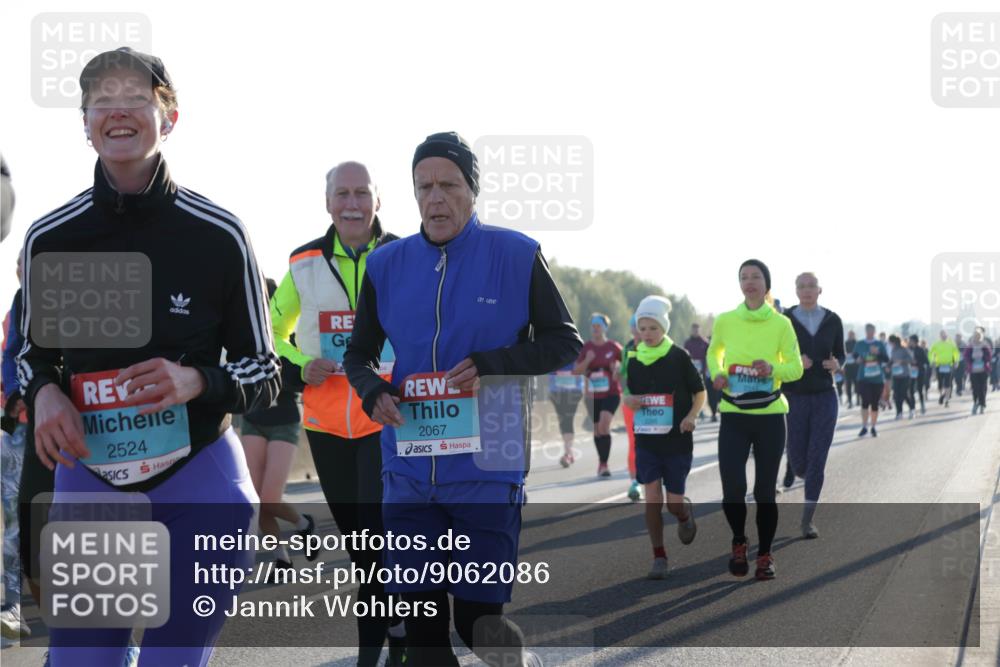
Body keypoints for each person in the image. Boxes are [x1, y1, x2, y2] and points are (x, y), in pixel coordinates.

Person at [16, 47, 278, 666]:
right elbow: (32, 356)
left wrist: (195, 380)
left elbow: (263, 371)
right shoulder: (52, 237)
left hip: (201, 482)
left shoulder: (220, 234)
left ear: (170, 116)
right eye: (100, 102)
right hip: (93, 483)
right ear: (84, 124)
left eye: (135, 97)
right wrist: (46, 391)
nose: (117, 112)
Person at [343, 131, 582, 667]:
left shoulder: (516, 254)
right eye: (424, 186)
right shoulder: (386, 265)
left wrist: (496, 363)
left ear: (473, 191)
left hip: (487, 465)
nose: (435, 198)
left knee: (480, 624)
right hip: (406, 470)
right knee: (424, 637)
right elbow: (357, 355)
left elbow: (564, 341)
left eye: (448, 185)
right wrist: (371, 390)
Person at [269, 160, 405, 665]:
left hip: (385, 420)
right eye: (342, 194)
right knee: (358, 545)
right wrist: (303, 366)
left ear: (377, 201)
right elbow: (270, 335)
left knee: (378, 531)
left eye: (362, 193)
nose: (352, 203)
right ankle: (379, 640)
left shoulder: (401, 255)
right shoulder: (303, 262)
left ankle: (392, 639)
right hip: (325, 424)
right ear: (328, 203)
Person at [707, 259, 803, 581]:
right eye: (744, 277)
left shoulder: (781, 324)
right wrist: (718, 374)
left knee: (764, 491)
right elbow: (713, 352)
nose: (750, 282)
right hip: (734, 414)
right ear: (740, 284)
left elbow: (796, 368)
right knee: (733, 489)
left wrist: (772, 369)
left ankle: (764, 554)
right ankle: (739, 540)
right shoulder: (725, 321)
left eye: (756, 277)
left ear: (766, 284)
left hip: (770, 416)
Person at [621, 296, 703, 579]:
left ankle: (684, 515)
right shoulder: (633, 359)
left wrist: (691, 416)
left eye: (653, 328)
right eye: (642, 328)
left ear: (664, 328)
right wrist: (629, 400)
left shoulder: (679, 356)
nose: (647, 334)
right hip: (647, 441)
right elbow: (629, 393)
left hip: (677, 440)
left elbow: (700, 391)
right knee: (652, 498)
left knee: (673, 503)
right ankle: (659, 556)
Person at [238, 278, 315, 577]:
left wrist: (276, 371)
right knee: (255, 499)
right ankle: (280, 558)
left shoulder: (286, 338)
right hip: (253, 420)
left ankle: (302, 524)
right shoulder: (241, 336)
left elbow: (299, 378)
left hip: (283, 421)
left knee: (269, 496)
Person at [780, 272, 845, 538]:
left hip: (825, 395)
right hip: (794, 396)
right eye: (801, 286)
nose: (806, 290)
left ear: (820, 290)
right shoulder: (784, 320)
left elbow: (840, 352)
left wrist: (837, 364)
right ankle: (792, 465)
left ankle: (807, 521)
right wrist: (795, 362)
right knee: (800, 465)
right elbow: (775, 354)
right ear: (796, 291)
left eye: (811, 286)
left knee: (817, 462)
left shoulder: (832, 320)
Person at [1, 254, 29, 641]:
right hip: (19, 430)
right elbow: (9, 357)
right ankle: (12, 606)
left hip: (74, 433)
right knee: (13, 522)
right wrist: (14, 399)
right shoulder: (18, 306)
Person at [574, 313, 623, 477]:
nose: (595, 329)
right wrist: (588, 361)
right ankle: (602, 463)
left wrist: (617, 369)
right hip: (592, 395)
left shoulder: (613, 347)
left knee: (604, 425)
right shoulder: (586, 348)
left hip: (611, 392)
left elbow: (627, 366)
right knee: (596, 430)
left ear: (605, 328)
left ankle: (604, 464)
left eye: (598, 326)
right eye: (593, 326)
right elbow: (576, 372)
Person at [852, 324, 889, 437]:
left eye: (872, 331)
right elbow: (854, 356)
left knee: (874, 404)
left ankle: (873, 426)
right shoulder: (860, 344)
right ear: (866, 331)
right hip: (863, 378)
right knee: (864, 402)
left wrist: (878, 353)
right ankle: (864, 426)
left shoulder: (879, 344)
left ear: (874, 331)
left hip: (877, 378)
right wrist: (858, 359)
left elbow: (886, 359)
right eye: (868, 331)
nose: (870, 333)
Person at [620, 315, 641, 500]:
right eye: (635, 326)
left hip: (653, 401)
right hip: (630, 401)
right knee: (634, 441)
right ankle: (635, 482)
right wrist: (625, 394)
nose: (639, 330)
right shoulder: (627, 347)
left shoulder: (657, 345)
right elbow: (623, 374)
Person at [548, 362, 583, 467]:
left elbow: (582, 368)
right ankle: (569, 452)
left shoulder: (577, 350)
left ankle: (568, 453)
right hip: (556, 390)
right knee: (563, 420)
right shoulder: (553, 352)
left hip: (574, 391)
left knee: (568, 419)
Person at [684, 322, 715, 421]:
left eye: (697, 329)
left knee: (703, 391)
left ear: (699, 330)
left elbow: (710, 357)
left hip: (703, 371)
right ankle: (697, 411)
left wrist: (707, 369)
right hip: (690, 371)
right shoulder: (687, 343)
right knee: (692, 392)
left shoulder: (705, 343)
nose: (695, 331)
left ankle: (708, 411)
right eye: (694, 329)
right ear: (691, 330)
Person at [929, 330, 960, 407]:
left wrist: (956, 361)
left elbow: (956, 353)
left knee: (948, 384)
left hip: (949, 366)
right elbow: (930, 353)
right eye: (942, 335)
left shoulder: (951, 344)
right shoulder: (936, 344)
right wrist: (931, 361)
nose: (944, 336)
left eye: (945, 335)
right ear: (940, 336)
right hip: (939, 366)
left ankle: (946, 400)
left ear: (947, 335)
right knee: (940, 385)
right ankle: (942, 394)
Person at [965, 327, 992, 415]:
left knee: (982, 388)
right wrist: (971, 360)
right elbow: (966, 355)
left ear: (980, 336)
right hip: (973, 370)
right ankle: (976, 402)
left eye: (978, 335)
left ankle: (982, 405)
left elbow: (989, 356)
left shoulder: (985, 345)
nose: (976, 337)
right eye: (975, 335)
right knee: (975, 388)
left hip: (983, 369)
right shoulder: (970, 345)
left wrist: (984, 359)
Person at [888, 334, 915, 420]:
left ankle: (912, 410)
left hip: (905, 375)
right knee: (896, 395)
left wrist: (902, 361)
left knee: (904, 393)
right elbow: (892, 360)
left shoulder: (904, 350)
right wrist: (888, 366)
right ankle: (899, 413)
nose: (890, 344)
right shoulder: (893, 350)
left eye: (890, 343)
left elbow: (911, 360)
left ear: (894, 342)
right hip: (896, 375)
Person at [908, 334, 929, 415]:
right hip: (910, 372)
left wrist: (917, 363)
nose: (910, 342)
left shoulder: (920, 350)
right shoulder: (908, 350)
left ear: (915, 341)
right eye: (909, 341)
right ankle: (912, 408)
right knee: (911, 390)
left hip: (920, 372)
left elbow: (926, 362)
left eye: (911, 341)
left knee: (920, 390)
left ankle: (922, 405)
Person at [843, 330, 858, 408]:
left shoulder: (857, 343)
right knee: (848, 384)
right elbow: (842, 353)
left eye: (852, 334)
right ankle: (850, 401)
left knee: (857, 384)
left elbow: (859, 353)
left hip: (856, 366)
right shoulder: (845, 343)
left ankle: (858, 399)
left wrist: (854, 355)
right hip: (847, 366)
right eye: (849, 334)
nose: (851, 336)